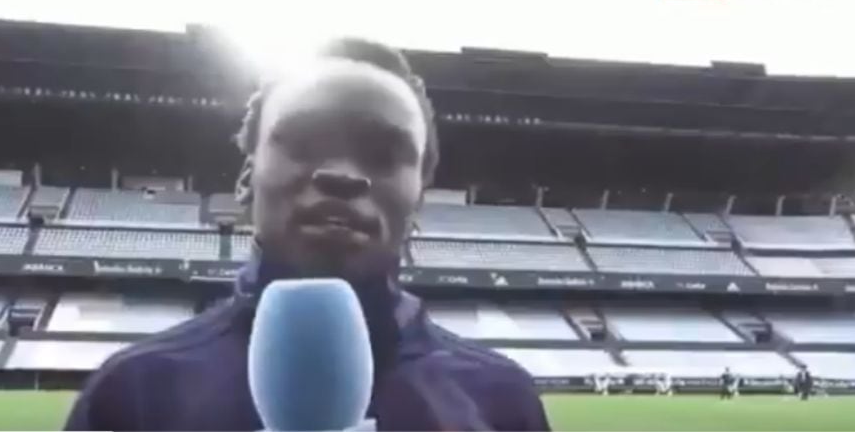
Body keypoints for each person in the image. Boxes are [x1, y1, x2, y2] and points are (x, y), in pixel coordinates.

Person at [64, 38, 551, 431]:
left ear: (419, 196)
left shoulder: (501, 402)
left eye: (383, 155)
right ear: (245, 179)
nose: (342, 175)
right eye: (304, 143)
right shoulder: (132, 395)